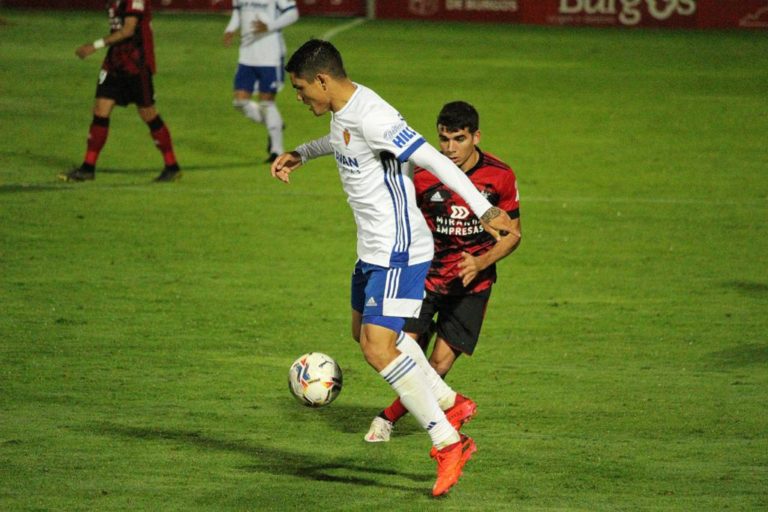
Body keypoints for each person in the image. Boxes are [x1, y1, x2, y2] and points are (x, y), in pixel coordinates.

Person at [270, 39, 520, 497]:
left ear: (323, 80)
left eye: (302, 89)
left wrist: (484, 211)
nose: (300, 97)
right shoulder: (345, 110)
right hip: (371, 246)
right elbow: (343, 140)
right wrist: (303, 153)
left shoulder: (375, 115)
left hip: (399, 249)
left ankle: (448, 441)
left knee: (378, 348)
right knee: (363, 333)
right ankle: (449, 400)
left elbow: (432, 160)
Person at [364, 101, 522, 443]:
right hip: (426, 279)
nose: (449, 148)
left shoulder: (500, 176)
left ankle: (387, 418)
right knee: (400, 350)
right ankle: (432, 420)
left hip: (471, 286)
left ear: (476, 137)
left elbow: (513, 235)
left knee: (438, 366)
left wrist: (480, 262)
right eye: (444, 139)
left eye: (459, 139)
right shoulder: (422, 174)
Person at [60, 0, 181, 183]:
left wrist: (94, 45)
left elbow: (128, 30)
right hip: (114, 62)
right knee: (100, 110)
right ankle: (88, 167)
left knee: (148, 113)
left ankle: (172, 166)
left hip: (136, 64)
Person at [223, 0, 298, 163]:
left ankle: (277, 151)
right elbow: (238, 12)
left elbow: (293, 13)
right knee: (239, 102)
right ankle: (275, 124)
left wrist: (269, 26)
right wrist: (230, 29)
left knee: (266, 103)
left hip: (270, 55)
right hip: (247, 54)